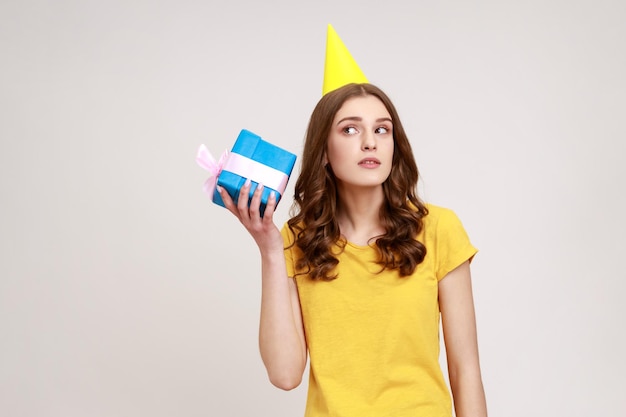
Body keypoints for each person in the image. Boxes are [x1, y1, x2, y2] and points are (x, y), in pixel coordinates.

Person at [217, 81, 488, 416]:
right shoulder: (297, 238)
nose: (370, 142)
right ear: (325, 152)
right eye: (350, 129)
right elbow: (284, 374)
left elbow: (466, 369)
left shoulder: (438, 230)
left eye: (382, 130)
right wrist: (270, 250)